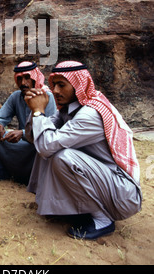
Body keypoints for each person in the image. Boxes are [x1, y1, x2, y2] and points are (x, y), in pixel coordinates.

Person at [24, 61, 142, 240]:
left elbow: (47, 146)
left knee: (61, 155)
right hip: (106, 184)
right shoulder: (69, 110)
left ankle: (102, 220)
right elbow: (36, 139)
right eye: (54, 85)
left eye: (61, 85)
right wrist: (34, 112)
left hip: (122, 194)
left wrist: (40, 112)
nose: (55, 91)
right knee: (49, 141)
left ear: (79, 85)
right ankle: (63, 207)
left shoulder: (90, 115)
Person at [0, 61, 56, 184]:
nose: (23, 83)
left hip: (36, 143)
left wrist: (22, 133)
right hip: (21, 142)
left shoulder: (47, 97)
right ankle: (3, 173)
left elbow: (50, 132)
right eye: (19, 79)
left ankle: (33, 177)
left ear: (35, 78)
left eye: (27, 78)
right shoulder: (16, 97)